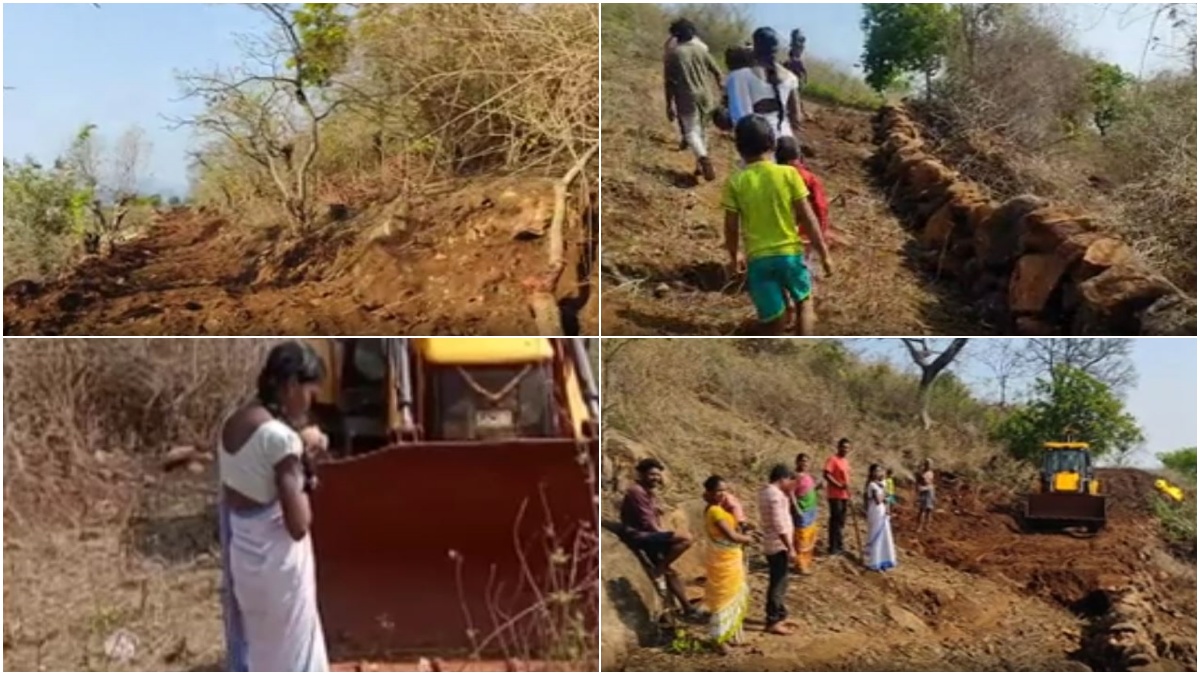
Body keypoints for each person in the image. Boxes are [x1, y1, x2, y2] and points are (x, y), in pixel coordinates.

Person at [219, 341, 329, 672]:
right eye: (310, 393)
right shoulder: (282, 441)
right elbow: (298, 525)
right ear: (292, 385)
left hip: (244, 562)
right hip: (277, 571)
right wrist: (303, 468)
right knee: (294, 656)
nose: (311, 403)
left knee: (261, 651)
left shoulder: (234, 423)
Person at [721, 115, 833, 336]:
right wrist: (824, 254)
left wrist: (734, 258)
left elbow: (731, 228)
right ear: (772, 144)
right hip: (790, 256)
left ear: (739, 149)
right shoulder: (789, 174)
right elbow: (809, 217)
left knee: (774, 318)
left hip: (758, 261)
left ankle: (770, 343)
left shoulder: (735, 182)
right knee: (804, 303)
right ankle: (804, 342)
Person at [619, 458, 698, 618]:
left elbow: (654, 516)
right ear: (641, 474)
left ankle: (687, 608)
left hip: (649, 535)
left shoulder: (649, 493)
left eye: (657, 475)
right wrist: (663, 535)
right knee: (686, 538)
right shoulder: (636, 492)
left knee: (671, 572)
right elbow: (647, 522)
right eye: (651, 474)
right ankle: (659, 569)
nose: (655, 478)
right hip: (641, 536)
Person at [663, 18, 723, 181]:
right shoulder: (701, 51)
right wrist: (722, 91)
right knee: (703, 131)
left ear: (675, 36)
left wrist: (669, 104)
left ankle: (703, 158)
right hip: (706, 96)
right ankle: (699, 167)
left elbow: (669, 83)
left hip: (686, 97)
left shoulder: (673, 55)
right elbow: (717, 72)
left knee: (690, 132)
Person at [702, 475, 754, 654]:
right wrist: (748, 539)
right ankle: (719, 639)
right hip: (724, 560)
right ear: (709, 492)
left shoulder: (719, 509)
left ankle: (729, 635)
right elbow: (731, 536)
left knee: (732, 595)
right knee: (723, 599)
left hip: (729, 558)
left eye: (724, 490)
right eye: (718, 491)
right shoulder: (715, 512)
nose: (722, 494)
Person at [725, 27, 803, 147]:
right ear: (776, 49)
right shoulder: (791, 78)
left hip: (755, 145)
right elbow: (796, 118)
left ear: (755, 47)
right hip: (785, 141)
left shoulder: (738, 77)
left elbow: (739, 117)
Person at [757, 463, 797, 636]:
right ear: (783, 479)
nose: (792, 484)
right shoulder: (774, 496)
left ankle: (779, 614)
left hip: (773, 542)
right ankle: (773, 620)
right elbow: (779, 524)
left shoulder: (768, 492)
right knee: (778, 582)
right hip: (778, 544)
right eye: (790, 480)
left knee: (781, 580)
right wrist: (790, 547)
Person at [664, 24, 709, 149]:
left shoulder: (672, 45)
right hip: (703, 88)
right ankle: (698, 146)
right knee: (701, 122)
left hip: (683, 88)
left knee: (685, 116)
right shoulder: (701, 46)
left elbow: (669, 76)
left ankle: (689, 139)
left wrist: (668, 103)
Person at [790, 453, 822, 575]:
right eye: (802, 461)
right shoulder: (794, 476)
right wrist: (796, 507)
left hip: (811, 509)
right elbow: (791, 493)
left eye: (807, 461)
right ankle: (800, 565)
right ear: (797, 462)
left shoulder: (808, 476)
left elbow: (809, 489)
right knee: (801, 538)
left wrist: (817, 486)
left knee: (809, 537)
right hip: (802, 510)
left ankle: (806, 562)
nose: (804, 463)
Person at [864, 464, 898, 572]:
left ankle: (884, 560)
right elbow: (878, 500)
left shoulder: (882, 484)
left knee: (885, 536)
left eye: (880, 471)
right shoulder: (872, 485)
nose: (879, 473)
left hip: (883, 512)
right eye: (876, 471)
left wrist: (888, 507)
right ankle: (874, 561)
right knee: (876, 535)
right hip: (875, 512)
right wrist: (885, 493)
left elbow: (887, 499)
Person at [823, 438, 852, 556]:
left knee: (841, 521)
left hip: (845, 495)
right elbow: (826, 474)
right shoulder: (832, 460)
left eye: (847, 448)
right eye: (843, 447)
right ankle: (833, 547)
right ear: (838, 447)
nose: (845, 450)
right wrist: (838, 485)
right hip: (835, 495)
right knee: (835, 520)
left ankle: (840, 545)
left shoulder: (845, 461)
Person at [917, 459, 936, 532]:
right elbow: (922, 482)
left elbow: (929, 482)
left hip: (929, 491)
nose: (929, 465)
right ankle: (920, 526)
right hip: (924, 490)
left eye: (930, 464)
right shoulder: (922, 472)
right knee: (922, 510)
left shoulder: (931, 473)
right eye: (928, 464)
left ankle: (927, 526)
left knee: (929, 510)